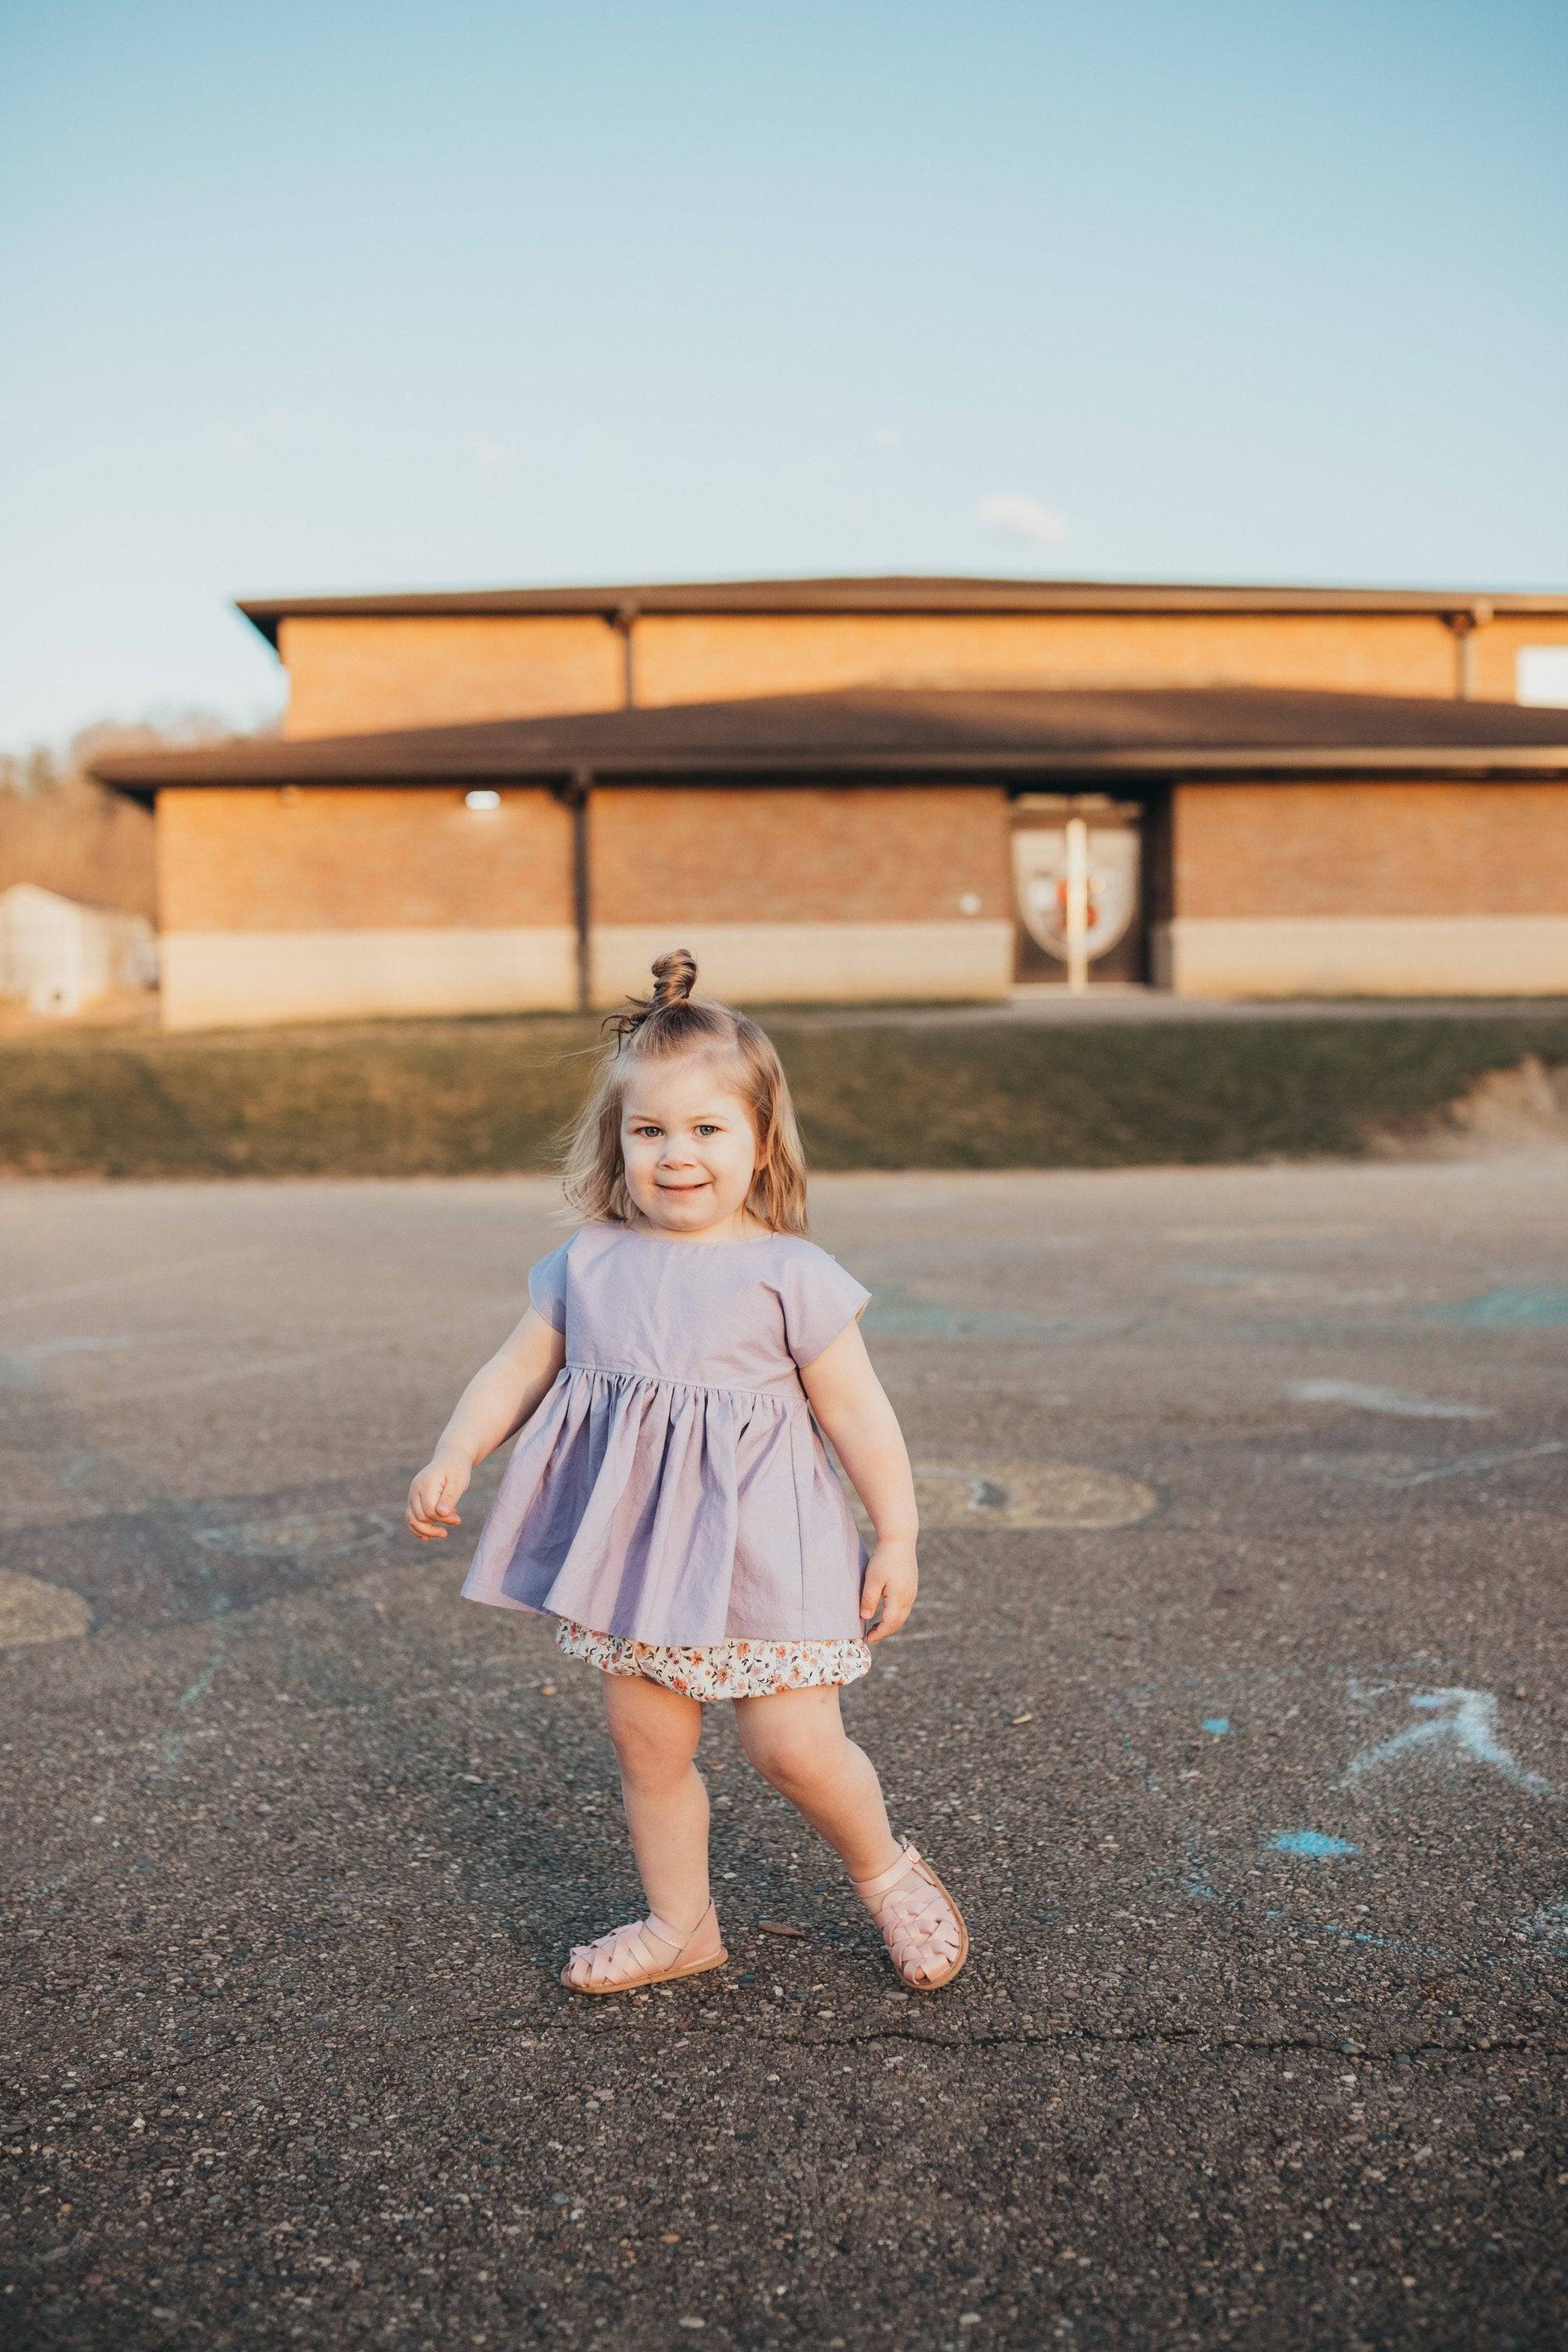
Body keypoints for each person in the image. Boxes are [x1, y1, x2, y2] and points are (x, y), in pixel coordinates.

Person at [405, 949, 967, 1996]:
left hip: (767, 1553)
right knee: (645, 1745)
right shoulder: (589, 1260)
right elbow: (516, 1368)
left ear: (759, 1143)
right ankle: (681, 1922)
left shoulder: (787, 1273)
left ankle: (888, 1873)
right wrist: (456, 1449)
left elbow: (856, 1411)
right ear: (614, 1141)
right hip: (635, 1555)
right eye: (649, 1130)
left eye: (707, 1129)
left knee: (793, 1749)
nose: (676, 1156)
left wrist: (896, 1534)